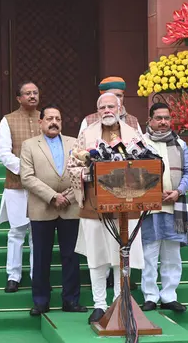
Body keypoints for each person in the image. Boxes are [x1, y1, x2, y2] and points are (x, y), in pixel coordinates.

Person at [68, 92, 145, 324]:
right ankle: (99, 304)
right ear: (97, 110)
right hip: (95, 205)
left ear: (120, 108)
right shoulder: (86, 134)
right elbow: (72, 166)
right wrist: (88, 172)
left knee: (120, 255)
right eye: (103, 107)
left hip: (126, 203)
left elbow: (147, 162)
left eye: (112, 106)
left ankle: (120, 302)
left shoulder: (134, 133)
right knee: (97, 256)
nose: (107, 111)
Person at [20, 104, 87, 316]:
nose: (54, 122)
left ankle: (71, 301)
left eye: (57, 118)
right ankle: (40, 302)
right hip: (42, 207)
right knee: (41, 257)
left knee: (71, 257)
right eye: (49, 118)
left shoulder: (74, 143)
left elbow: (81, 171)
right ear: (41, 122)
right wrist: (52, 196)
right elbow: (27, 177)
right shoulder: (29, 145)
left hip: (70, 207)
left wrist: (65, 196)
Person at [140, 102, 188, 313]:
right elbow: (133, 174)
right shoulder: (141, 143)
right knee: (149, 254)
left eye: (166, 118)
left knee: (172, 255)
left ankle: (169, 296)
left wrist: (178, 191)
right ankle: (150, 296)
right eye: (158, 118)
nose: (163, 122)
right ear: (150, 120)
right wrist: (154, 193)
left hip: (175, 206)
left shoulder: (180, 144)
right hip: (149, 208)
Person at [0, 81, 41, 293]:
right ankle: (13, 275)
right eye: (27, 93)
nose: (32, 96)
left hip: (42, 186)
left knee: (37, 232)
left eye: (35, 93)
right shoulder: (8, 120)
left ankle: (36, 275)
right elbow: (3, 153)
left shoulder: (46, 118)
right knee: (17, 231)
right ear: (18, 98)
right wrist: (26, 170)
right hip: (17, 185)